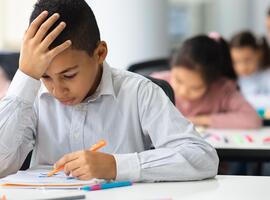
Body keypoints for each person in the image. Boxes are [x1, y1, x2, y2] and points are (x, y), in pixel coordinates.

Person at [0, 0, 218, 182]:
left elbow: (203, 158)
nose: (57, 90)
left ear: (100, 53)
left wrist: (117, 166)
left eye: (68, 75)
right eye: (45, 76)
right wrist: (26, 76)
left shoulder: (140, 93)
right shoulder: (31, 95)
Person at [152, 34, 261, 129]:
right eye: (178, 80)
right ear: (172, 67)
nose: (183, 91)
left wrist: (200, 120)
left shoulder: (222, 90)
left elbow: (252, 119)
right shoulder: (156, 84)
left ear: (212, 83)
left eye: (195, 88)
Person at [230, 31, 270, 118]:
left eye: (247, 60)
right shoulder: (233, 80)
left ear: (259, 53)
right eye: (236, 62)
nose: (243, 67)